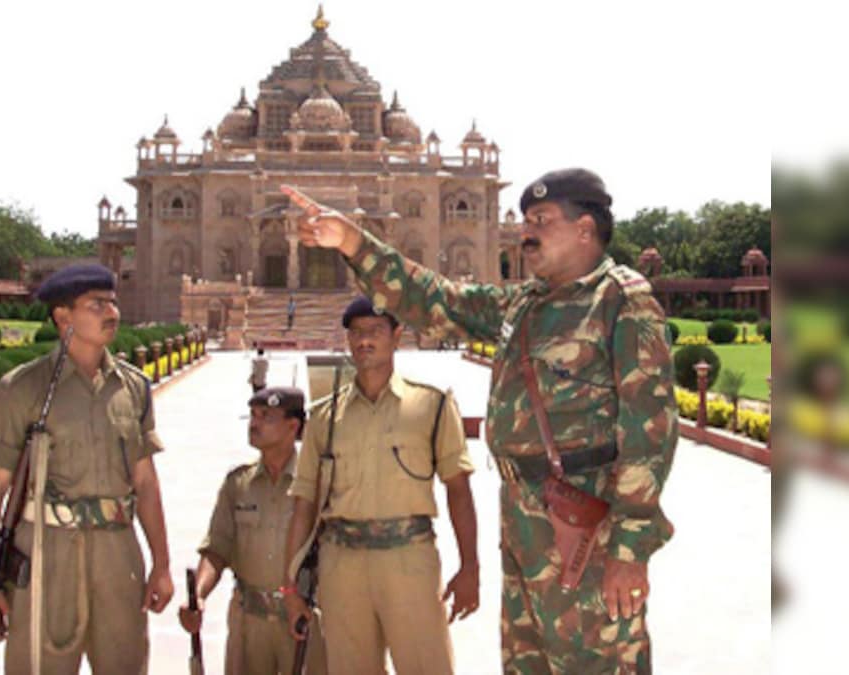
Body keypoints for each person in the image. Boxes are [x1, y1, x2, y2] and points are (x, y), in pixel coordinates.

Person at [282, 169, 678, 674]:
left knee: (595, 662)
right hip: (525, 524)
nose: (525, 232)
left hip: (586, 529)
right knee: (527, 660)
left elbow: (651, 431)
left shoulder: (620, 301)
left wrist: (629, 546)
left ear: (584, 229)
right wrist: (354, 244)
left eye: (540, 220)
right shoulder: (525, 305)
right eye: (523, 220)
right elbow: (438, 300)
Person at [0, 263, 174, 674]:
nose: (111, 312)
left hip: (117, 553)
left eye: (112, 302)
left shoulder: (131, 387)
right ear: (63, 317)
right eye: (96, 304)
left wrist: (162, 564)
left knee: (125, 663)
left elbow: (146, 483)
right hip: (46, 552)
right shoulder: (22, 389)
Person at [281, 297, 479, 675]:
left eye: (375, 331)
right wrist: (291, 588)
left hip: (409, 559)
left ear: (397, 336)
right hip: (342, 564)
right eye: (356, 333)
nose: (364, 341)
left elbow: (458, 489)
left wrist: (470, 567)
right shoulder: (326, 416)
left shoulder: (430, 406)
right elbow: (304, 502)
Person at [178, 387, 327, 675]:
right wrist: (199, 594)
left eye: (266, 417)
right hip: (250, 621)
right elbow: (216, 548)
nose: (254, 423)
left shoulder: (316, 483)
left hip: (302, 620)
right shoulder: (238, 483)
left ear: (293, 426)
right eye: (253, 415)